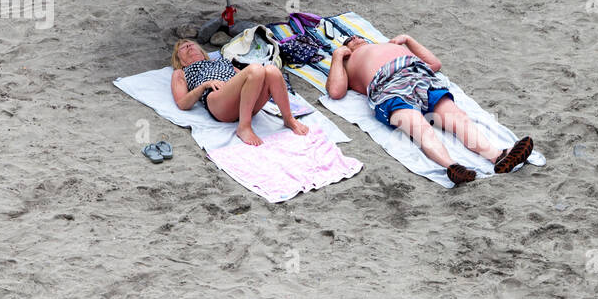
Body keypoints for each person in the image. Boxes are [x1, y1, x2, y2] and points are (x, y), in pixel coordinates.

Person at [326, 33, 533, 185]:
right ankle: (452, 166)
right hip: (389, 88)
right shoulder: (349, 63)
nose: (354, 38)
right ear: (346, 50)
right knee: (420, 129)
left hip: (420, 76)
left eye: (357, 36)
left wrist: (407, 40)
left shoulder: (387, 45)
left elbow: (434, 64)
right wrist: (337, 56)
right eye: (348, 41)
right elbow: (335, 91)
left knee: (458, 118)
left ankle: (497, 156)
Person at [170, 39, 308, 146]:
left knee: (271, 70)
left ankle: (288, 119)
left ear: (201, 51)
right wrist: (204, 86)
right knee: (256, 69)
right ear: (179, 60)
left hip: (243, 101)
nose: (189, 46)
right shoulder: (181, 72)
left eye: (191, 44)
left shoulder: (222, 61)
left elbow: (250, 79)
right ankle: (244, 127)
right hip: (218, 101)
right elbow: (182, 103)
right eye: (183, 47)